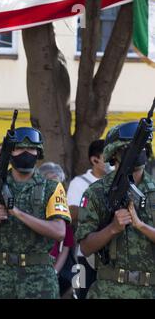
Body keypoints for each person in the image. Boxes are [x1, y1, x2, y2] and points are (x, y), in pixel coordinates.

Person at [0, 127, 71, 299]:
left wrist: (16, 212)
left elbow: (59, 232)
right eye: (19, 148)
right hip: (0, 276)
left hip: (39, 276)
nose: (26, 153)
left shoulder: (52, 188)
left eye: (31, 149)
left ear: (38, 153)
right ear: (10, 153)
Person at [76, 122, 155, 299]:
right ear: (114, 153)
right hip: (108, 291)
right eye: (129, 147)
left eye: (142, 146)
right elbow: (86, 248)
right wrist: (112, 228)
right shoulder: (96, 192)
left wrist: (141, 226)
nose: (137, 151)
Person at [67, 140, 108, 299]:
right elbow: (70, 214)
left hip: (108, 256)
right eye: (107, 157)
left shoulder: (117, 183)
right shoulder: (79, 183)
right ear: (94, 160)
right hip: (82, 255)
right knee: (80, 294)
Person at [39, 162, 76, 298]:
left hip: (52, 268)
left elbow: (66, 247)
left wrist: (55, 271)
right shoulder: (33, 209)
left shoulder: (62, 213)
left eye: (58, 184)